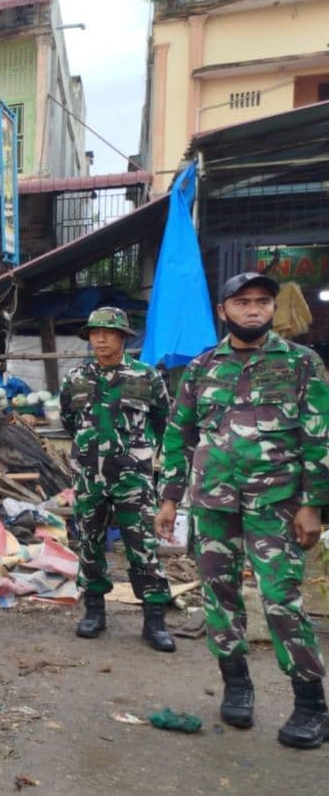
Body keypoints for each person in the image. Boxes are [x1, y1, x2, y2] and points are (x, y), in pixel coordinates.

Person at [157, 271, 329, 749]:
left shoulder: (301, 363)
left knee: (281, 600)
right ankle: (236, 685)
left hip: (276, 503)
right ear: (223, 310)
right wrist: (170, 498)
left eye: (262, 302)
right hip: (213, 501)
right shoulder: (202, 367)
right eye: (242, 302)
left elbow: (319, 436)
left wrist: (314, 504)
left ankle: (311, 703)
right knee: (219, 595)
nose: (253, 310)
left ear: (273, 309)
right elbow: (178, 435)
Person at [59, 307, 175, 651]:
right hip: (89, 479)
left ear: (123, 337)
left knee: (142, 547)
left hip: (133, 480)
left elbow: (161, 422)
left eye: (108, 333)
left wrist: (136, 455)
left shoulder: (147, 377)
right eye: (95, 333)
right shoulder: (75, 378)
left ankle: (154, 619)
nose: (100, 339)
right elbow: (69, 420)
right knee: (90, 545)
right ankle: (94, 611)